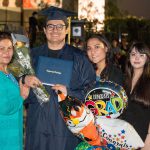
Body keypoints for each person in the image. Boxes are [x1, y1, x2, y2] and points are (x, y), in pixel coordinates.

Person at [23, 11, 96, 150]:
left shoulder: (79, 57)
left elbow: (91, 90)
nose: (55, 30)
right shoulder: (32, 55)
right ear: (44, 30)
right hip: (37, 124)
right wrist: (24, 80)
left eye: (60, 26)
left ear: (67, 30)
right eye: (50, 26)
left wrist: (69, 92)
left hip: (65, 126)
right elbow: (18, 90)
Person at [0, 31, 30, 150]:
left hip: (13, 132)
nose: (6, 52)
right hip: (3, 136)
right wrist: (22, 97)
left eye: (9, 48)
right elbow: (4, 107)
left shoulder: (9, 72)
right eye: (1, 48)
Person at [122, 42, 150, 149]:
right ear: (129, 57)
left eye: (141, 55)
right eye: (133, 54)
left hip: (143, 138)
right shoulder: (123, 81)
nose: (137, 58)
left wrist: (148, 142)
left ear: (147, 58)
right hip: (123, 138)